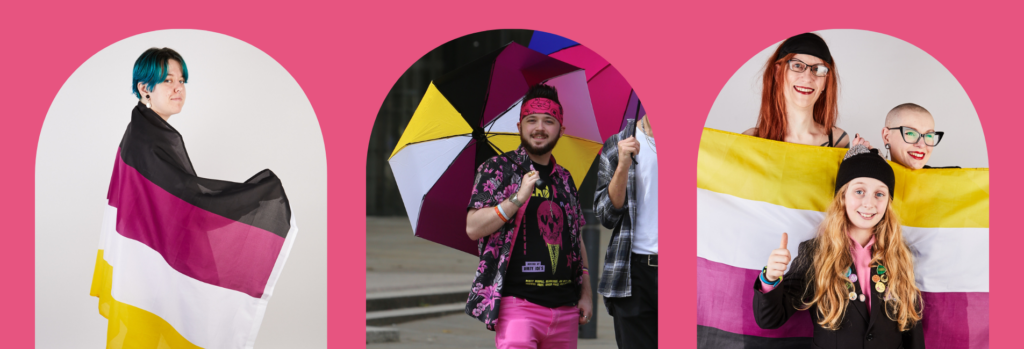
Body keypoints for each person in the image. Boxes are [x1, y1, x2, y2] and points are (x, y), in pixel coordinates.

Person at [752, 138, 925, 348]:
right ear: (842, 197)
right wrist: (770, 278)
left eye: (879, 194)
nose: (869, 203)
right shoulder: (815, 252)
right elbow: (770, 319)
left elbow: (911, 327)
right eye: (859, 191)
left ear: (888, 203)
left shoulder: (900, 254)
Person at [464, 84, 593, 349]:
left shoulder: (565, 178)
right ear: (519, 125)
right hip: (517, 306)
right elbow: (473, 228)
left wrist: (586, 293)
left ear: (561, 129)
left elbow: (576, 238)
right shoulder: (497, 169)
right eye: (531, 120)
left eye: (549, 121)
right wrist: (517, 199)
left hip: (565, 309)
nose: (539, 127)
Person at [594, 115, 658, 349]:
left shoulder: (698, 145)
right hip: (632, 273)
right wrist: (622, 166)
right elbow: (605, 216)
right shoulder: (619, 143)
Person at [744, 32, 849, 148]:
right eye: (797, 66)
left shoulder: (838, 141)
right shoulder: (750, 139)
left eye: (818, 69)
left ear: (825, 82)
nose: (808, 78)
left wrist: (864, 161)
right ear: (778, 73)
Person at [881, 103, 946, 169]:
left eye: (929, 136)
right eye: (911, 134)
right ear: (887, 137)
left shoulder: (947, 178)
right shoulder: (872, 176)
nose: (922, 145)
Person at [133, 48, 187, 121]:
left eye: (181, 81)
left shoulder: (140, 127)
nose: (179, 88)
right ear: (144, 89)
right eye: (168, 80)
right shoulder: (146, 131)